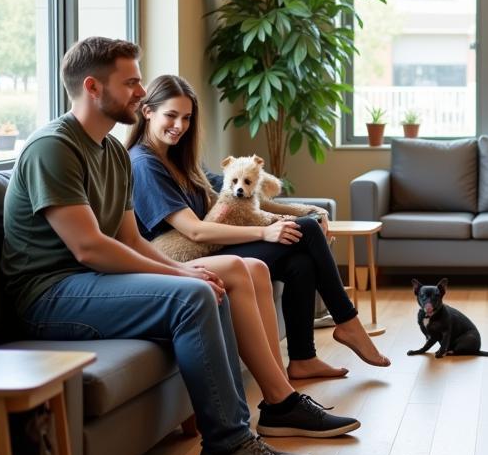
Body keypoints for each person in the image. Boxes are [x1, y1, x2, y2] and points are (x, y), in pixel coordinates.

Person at [2, 38, 324, 455]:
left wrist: (188, 270)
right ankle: (227, 447)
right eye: (131, 81)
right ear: (93, 87)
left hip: (89, 282)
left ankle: (258, 423)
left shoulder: (112, 153)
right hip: (50, 295)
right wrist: (179, 274)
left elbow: (131, 238)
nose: (140, 91)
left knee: (208, 278)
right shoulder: (53, 149)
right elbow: (89, 248)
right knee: (193, 295)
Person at [127, 74, 390, 384]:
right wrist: (265, 232)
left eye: (186, 118)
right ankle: (348, 321)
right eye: (171, 115)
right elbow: (194, 232)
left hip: (212, 248)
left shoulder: (181, 159)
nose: (180, 125)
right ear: (147, 112)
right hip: (178, 261)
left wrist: (307, 209)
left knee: (300, 262)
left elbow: (243, 196)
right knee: (305, 231)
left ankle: (303, 359)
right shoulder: (145, 164)